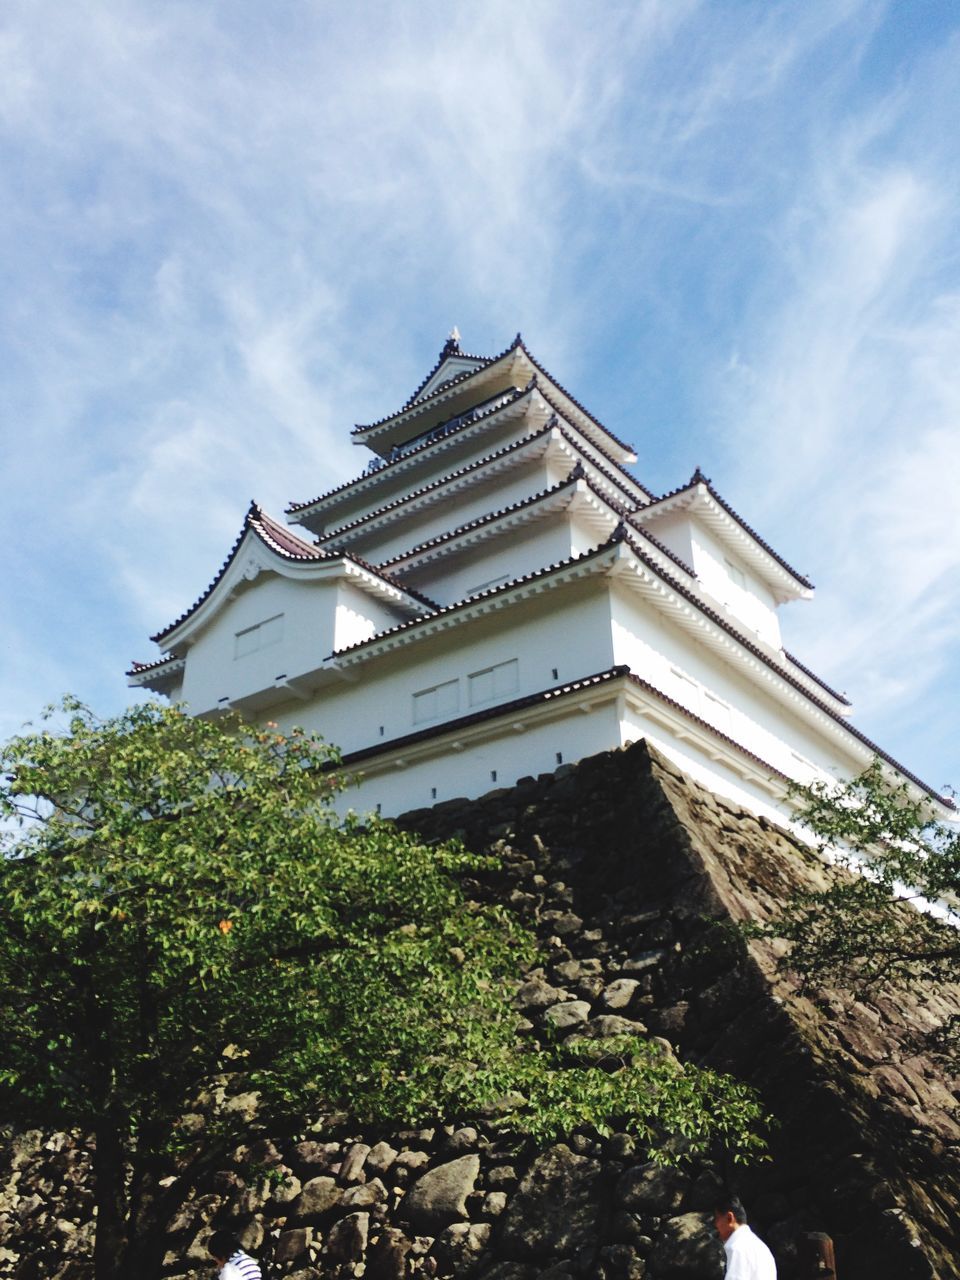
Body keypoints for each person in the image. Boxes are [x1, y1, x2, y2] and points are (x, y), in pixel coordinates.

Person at [713, 1195, 776, 1279]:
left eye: (717, 1218)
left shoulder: (736, 1248)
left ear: (729, 1218)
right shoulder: (762, 1248)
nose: (715, 1224)